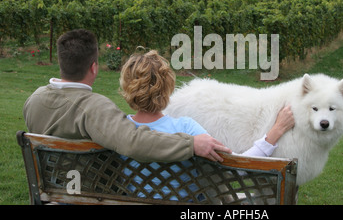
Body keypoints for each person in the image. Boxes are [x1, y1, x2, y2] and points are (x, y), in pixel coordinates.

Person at [23, 29, 230, 163]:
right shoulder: (93, 107)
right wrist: (190, 144)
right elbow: (133, 141)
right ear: (94, 67)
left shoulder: (34, 100)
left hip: (54, 189)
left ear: (61, 62)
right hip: (87, 194)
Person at [119, 50, 294, 199]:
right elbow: (238, 167)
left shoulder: (118, 128)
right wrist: (276, 131)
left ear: (127, 88)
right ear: (168, 87)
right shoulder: (187, 128)